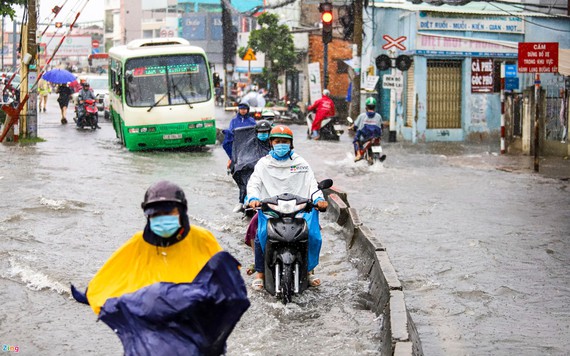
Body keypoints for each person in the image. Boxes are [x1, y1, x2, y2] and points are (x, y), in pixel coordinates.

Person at [70, 180, 250, 355]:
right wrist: (92, 294)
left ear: (181, 211)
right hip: (156, 323)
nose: (162, 218)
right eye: (156, 215)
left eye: (168, 212)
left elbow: (223, 276)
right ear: (148, 216)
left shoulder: (202, 238)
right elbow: (113, 273)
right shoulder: (138, 243)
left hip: (196, 321)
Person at [246, 125, 328, 290]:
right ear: (271, 143)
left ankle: (310, 271)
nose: (281, 144)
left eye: (285, 141)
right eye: (278, 141)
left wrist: (319, 198)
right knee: (260, 234)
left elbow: (311, 184)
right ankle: (260, 273)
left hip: (298, 210)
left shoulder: (301, 163)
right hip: (271, 210)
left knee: (313, 234)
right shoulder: (263, 164)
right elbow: (254, 183)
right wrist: (253, 198)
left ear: (291, 144)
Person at [230, 119, 272, 213]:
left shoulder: (274, 144)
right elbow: (244, 158)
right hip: (252, 171)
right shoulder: (250, 144)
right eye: (260, 132)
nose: (263, 134)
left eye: (265, 132)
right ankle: (242, 201)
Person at [222, 102, 256, 192]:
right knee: (232, 157)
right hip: (237, 144)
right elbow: (231, 131)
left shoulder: (251, 120)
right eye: (241, 109)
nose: (243, 111)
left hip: (248, 145)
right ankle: (232, 167)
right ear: (239, 110)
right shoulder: (234, 121)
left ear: (247, 110)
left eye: (244, 109)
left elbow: (254, 132)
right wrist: (228, 133)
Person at [352, 97, 383, 162]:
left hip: (364, 138)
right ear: (374, 107)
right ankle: (374, 157)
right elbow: (381, 126)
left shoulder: (362, 116)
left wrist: (353, 128)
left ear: (366, 107)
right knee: (378, 140)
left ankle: (358, 155)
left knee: (356, 140)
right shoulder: (379, 116)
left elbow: (355, 126)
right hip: (375, 138)